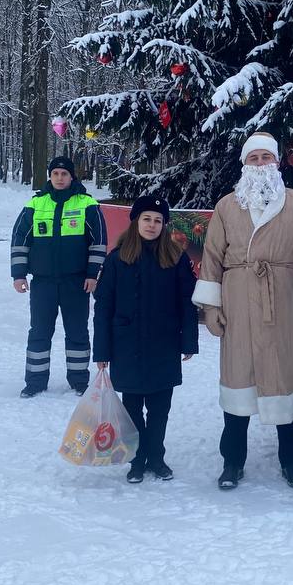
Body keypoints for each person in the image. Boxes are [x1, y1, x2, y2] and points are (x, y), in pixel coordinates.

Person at [192, 132, 293, 491]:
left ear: (277, 163)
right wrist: (211, 306)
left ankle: (291, 461)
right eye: (253, 159)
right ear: (244, 165)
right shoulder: (227, 205)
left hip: (282, 303)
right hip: (238, 300)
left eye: (265, 158)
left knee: (287, 385)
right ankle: (232, 462)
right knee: (237, 385)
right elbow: (211, 258)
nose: (260, 164)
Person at [92, 196, 198, 483]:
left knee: (160, 409)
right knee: (133, 408)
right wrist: (101, 350)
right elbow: (103, 306)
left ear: (164, 225)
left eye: (158, 220)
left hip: (163, 345)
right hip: (127, 346)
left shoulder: (176, 257)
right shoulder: (117, 258)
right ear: (136, 221)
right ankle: (137, 460)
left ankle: (157, 458)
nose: (152, 225)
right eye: (147, 219)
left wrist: (189, 341)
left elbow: (188, 302)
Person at [11, 155, 107, 397]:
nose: (60, 178)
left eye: (65, 174)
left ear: (72, 176)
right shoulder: (36, 204)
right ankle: (35, 381)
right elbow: (19, 241)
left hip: (76, 282)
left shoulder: (87, 204)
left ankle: (79, 380)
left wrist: (92, 274)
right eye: (56, 174)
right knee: (39, 332)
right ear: (50, 176)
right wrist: (19, 275)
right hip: (43, 282)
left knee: (77, 332)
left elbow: (99, 242)